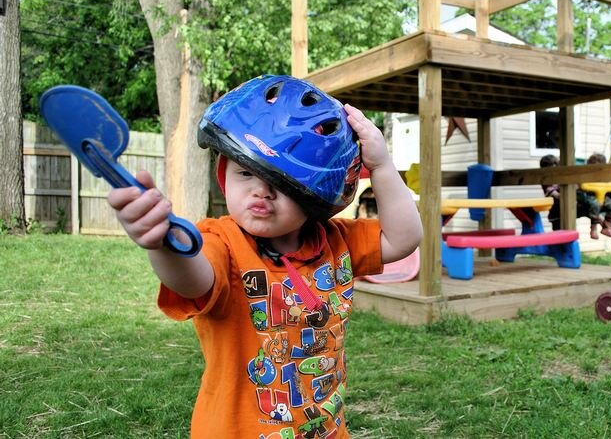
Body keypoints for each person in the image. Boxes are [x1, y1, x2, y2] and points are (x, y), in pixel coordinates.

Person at [106, 75, 422, 438]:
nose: (260, 191)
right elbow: (192, 278)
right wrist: (161, 243)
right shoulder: (222, 240)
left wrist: (381, 166)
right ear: (225, 175)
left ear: (314, 196)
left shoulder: (338, 243)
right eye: (244, 172)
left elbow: (404, 238)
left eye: (280, 183)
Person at [539, 154, 611, 249]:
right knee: (560, 237)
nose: (555, 172)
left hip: (580, 205)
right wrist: (568, 197)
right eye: (552, 170)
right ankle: (560, 248)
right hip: (559, 211)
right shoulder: (547, 181)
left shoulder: (565, 175)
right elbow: (553, 193)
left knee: (602, 212)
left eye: (557, 168)